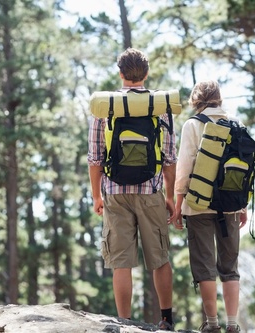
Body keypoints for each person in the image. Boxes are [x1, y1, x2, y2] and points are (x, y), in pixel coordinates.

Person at [87, 48, 176, 330]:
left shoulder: (106, 107)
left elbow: (95, 158)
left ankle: (123, 323)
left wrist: (96, 195)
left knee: (121, 262)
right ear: (146, 74)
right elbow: (170, 158)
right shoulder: (159, 106)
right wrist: (171, 196)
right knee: (159, 258)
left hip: (115, 192)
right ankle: (166, 320)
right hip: (151, 191)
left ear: (121, 74)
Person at [173, 80, 245, 333]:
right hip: (231, 205)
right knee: (230, 266)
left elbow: (183, 168)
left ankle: (212, 324)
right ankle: (233, 324)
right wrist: (243, 205)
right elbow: (245, 169)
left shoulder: (192, 125)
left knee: (204, 265)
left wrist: (178, 203)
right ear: (219, 98)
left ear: (196, 100)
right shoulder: (236, 124)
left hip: (198, 203)